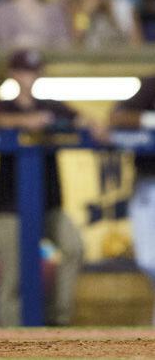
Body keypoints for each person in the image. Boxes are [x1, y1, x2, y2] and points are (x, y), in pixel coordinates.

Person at [0, 49, 85, 327]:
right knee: (14, 274)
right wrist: (26, 122)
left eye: (33, 71)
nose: (28, 77)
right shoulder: (3, 106)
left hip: (49, 204)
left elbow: (82, 119)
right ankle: (10, 337)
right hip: (10, 206)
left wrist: (86, 123)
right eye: (23, 71)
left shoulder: (52, 107)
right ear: (13, 74)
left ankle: (59, 322)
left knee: (74, 248)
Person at [110, 75, 155, 324]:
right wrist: (150, 120)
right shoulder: (151, 85)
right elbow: (116, 117)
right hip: (149, 183)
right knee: (148, 259)